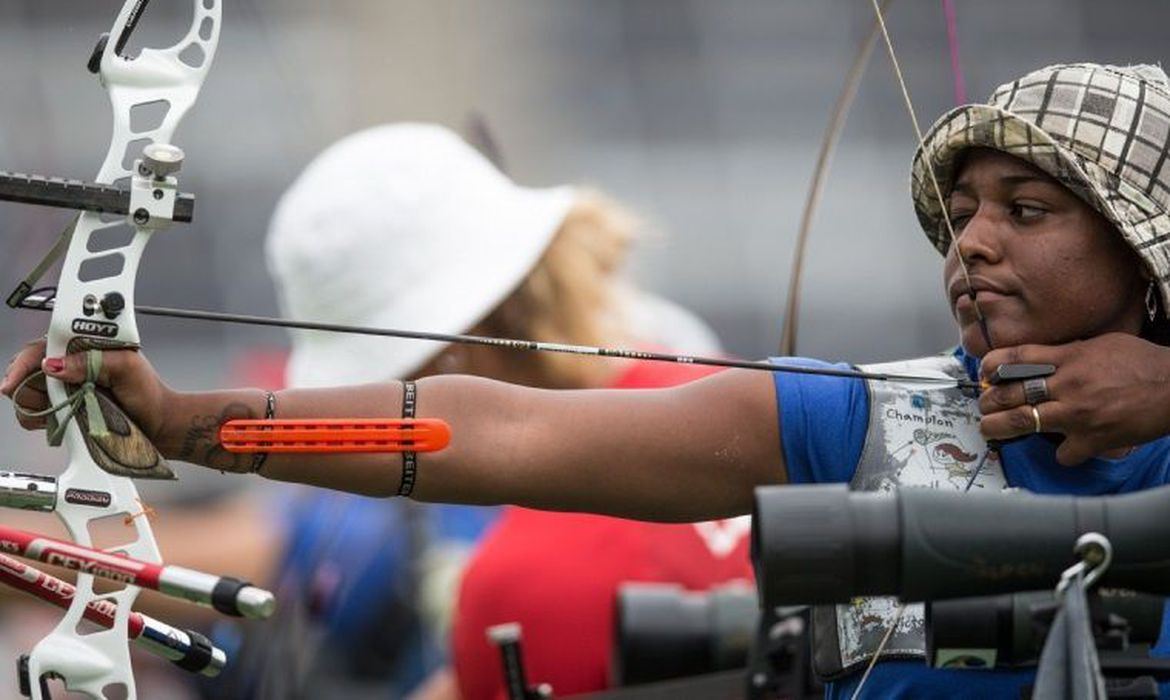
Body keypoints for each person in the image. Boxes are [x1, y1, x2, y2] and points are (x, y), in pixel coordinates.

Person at [7, 62, 1170, 698]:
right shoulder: (863, 418)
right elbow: (490, 435)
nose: (971, 244)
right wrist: (190, 423)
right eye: (960, 215)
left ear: (1142, 245)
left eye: (1026, 213)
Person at [255, 122, 750, 699]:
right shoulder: (737, 396)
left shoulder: (513, 588)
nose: (373, 430)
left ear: (454, 356)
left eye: (388, 393)